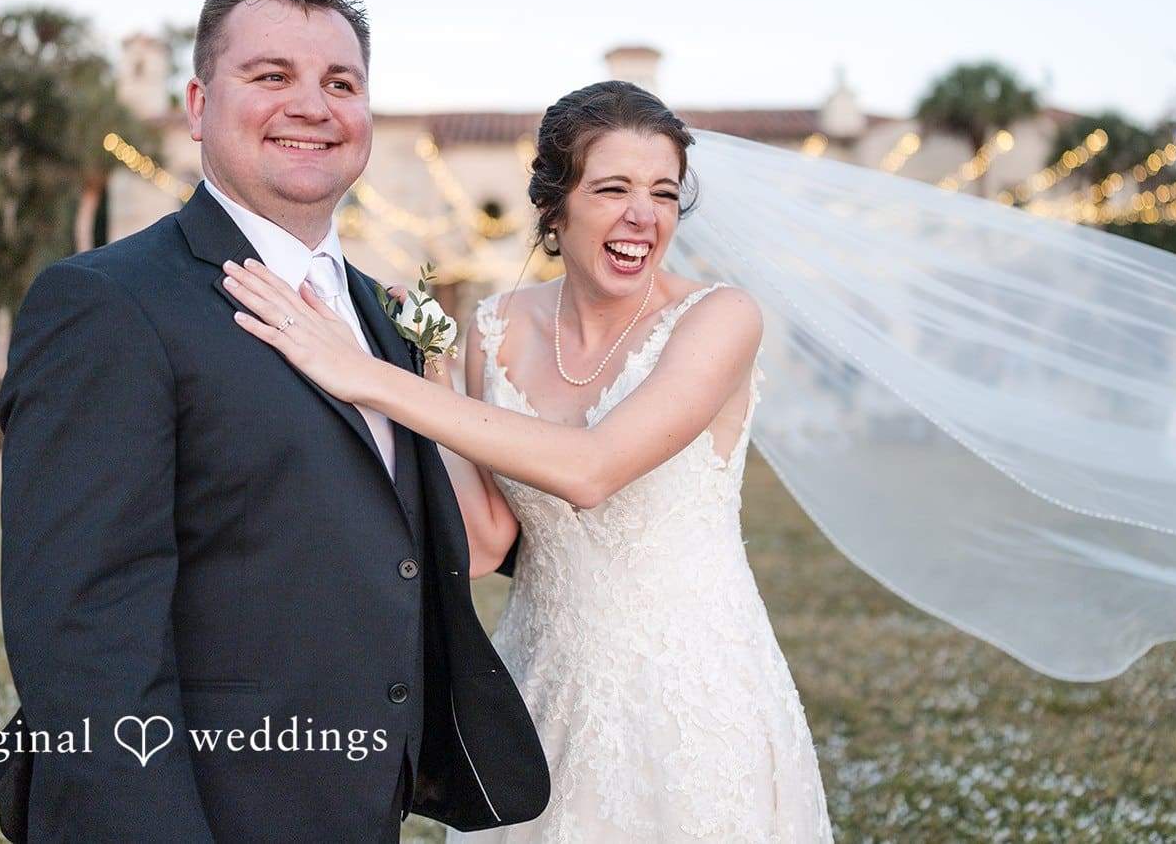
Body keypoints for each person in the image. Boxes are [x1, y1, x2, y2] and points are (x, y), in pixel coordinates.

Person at [0, 0, 548, 843]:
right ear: (200, 105)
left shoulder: (381, 310)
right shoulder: (107, 304)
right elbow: (83, 636)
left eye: (340, 82)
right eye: (270, 75)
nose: (312, 105)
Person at [222, 81, 834, 842]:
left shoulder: (720, 319)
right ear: (555, 205)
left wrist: (364, 375)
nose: (643, 215)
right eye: (613, 187)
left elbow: (592, 468)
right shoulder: (496, 328)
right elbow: (483, 543)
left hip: (693, 700)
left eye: (664, 192)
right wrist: (425, 377)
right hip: (537, 691)